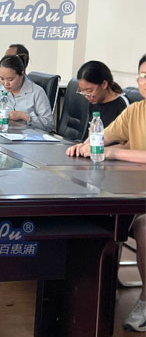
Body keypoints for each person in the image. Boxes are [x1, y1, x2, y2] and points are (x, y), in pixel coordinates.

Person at [67, 54, 146, 332]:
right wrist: (85, 146)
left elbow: (114, 150)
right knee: (99, 209)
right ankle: (87, 292)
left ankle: (145, 300)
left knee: (143, 225)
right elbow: (104, 137)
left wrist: (114, 153)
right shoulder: (136, 111)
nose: (144, 82)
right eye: (142, 76)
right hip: (134, 191)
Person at [0, 54, 53, 131]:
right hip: (2, 134)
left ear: (22, 74)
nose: (6, 83)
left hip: (28, 136)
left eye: (10, 79)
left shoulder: (37, 92)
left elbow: (48, 124)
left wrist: (24, 116)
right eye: (2, 79)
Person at [75, 60, 129, 135]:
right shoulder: (93, 101)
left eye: (89, 90)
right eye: (82, 90)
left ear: (104, 84)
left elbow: (128, 139)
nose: (86, 96)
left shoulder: (122, 105)